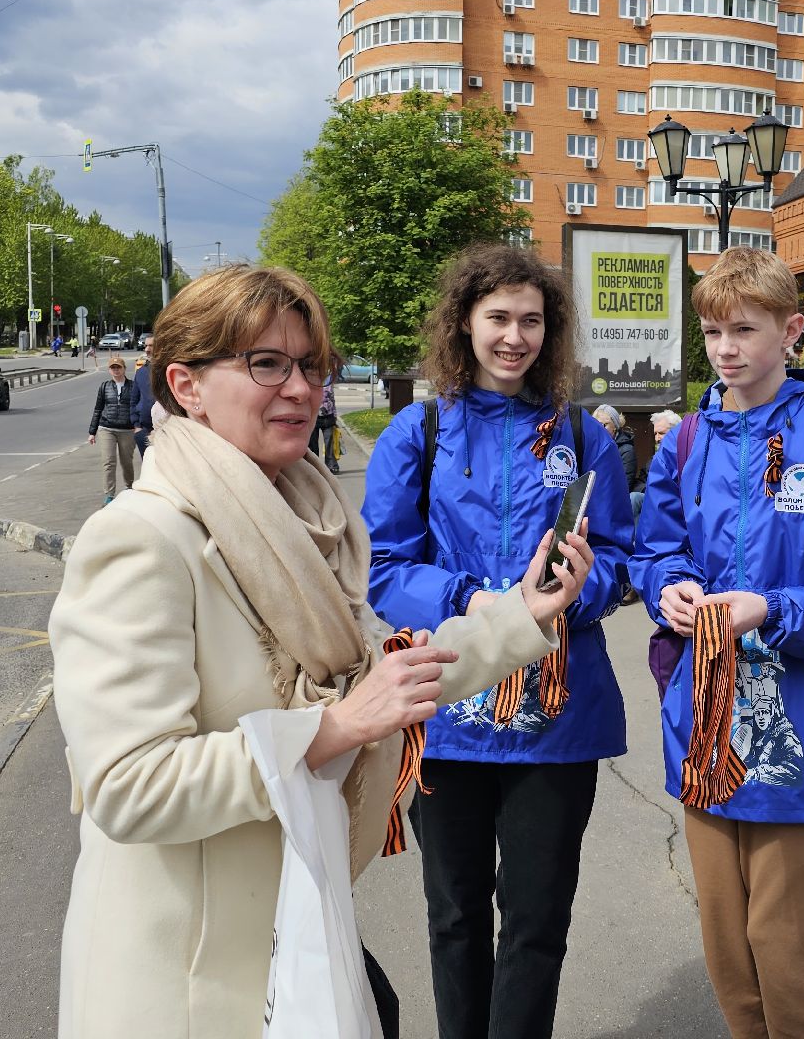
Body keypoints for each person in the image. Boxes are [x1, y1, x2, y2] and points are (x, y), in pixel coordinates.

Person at [47, 264, 593, 1039]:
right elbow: (130, 786)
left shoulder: (309, 525)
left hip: (295, 934)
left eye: (311, 366)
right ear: (185, 383)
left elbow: (387, 677)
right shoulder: (140, 540)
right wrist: (332, 731)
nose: (300, 389)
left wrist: (518, 617)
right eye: (266, 364)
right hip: (191, 986)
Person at [630, 246, 804, 1039]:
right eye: (714, 330)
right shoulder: (686, 442)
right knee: (729, 952)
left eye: (744, 329)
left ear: (791, 332)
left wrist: (773, 608)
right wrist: (668, 588)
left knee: (786, 957)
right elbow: (656, 549)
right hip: (708, 725)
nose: (726, 347)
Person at [362, 242, 634, 1039]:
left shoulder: (583, 437)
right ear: (465, 324)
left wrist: (578, 596)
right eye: (498, 319)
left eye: (532, 321)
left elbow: (618, 560)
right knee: (453, 917)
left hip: (557, 725)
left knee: (537, 923)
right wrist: (485, 600)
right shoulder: (421, 432)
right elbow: (385, 569)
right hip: (446, 712)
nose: (515, 336)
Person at [88, 356, 141, 504]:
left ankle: (129, 487)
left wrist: (138, 425)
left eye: (119, 367)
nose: (116, 370)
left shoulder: (133, 386)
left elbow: (137, 406)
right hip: (107, 428)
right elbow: (98, 409)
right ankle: (109, 494)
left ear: (124, 368)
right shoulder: (104, 386)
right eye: (113, 368)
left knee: (126, 461)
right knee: (108, 461)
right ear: (109, 370)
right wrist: (92, 432)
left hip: (127, 429)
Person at [311, 376, 342, 473]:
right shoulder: (310, 382)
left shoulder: (329, 382)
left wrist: (335, 416)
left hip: (328, 417)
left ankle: (331, 465)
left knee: (329, 443)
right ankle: (314, 467)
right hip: (313, 417)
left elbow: (332, 399)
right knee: (313, 445)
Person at [130, 357, 156, 456]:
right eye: (146, 345)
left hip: (167, 429)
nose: (147, 349)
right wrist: (136, 425)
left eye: (151, 345)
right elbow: (133, 399)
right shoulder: (141, 372)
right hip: (145, 430)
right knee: (148, 466)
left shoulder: (169, 369)